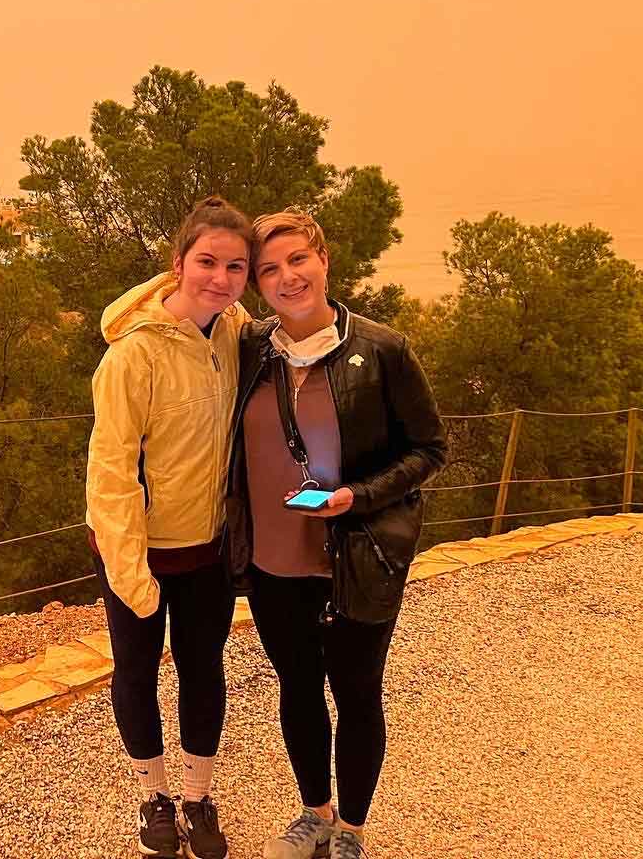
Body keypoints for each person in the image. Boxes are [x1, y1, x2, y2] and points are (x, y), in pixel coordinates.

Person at [224, 210, 446, 859]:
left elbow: (430, 449)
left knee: (356, 694)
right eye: (268, 269)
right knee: (297, 690)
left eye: (298, 260)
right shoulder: (251, 353)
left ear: (324, 259)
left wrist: (357, 496)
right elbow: (163, 310)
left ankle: (350, 828)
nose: (287, 277)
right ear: (257, 284)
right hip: (272, 564)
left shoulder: (383, 350)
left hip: (356, 560)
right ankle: (313, 812)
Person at [86, 196, 254, 859]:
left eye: (235, 266)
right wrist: (132, 573)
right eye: (207, 262)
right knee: (135, 671)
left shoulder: (236, 333)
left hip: (206, 545)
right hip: (136, 547)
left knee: (202, 669)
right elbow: (111, 471)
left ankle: (197, 796)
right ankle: (153, 797)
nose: (220, 277)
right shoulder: (132, 357)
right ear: (178, 263)